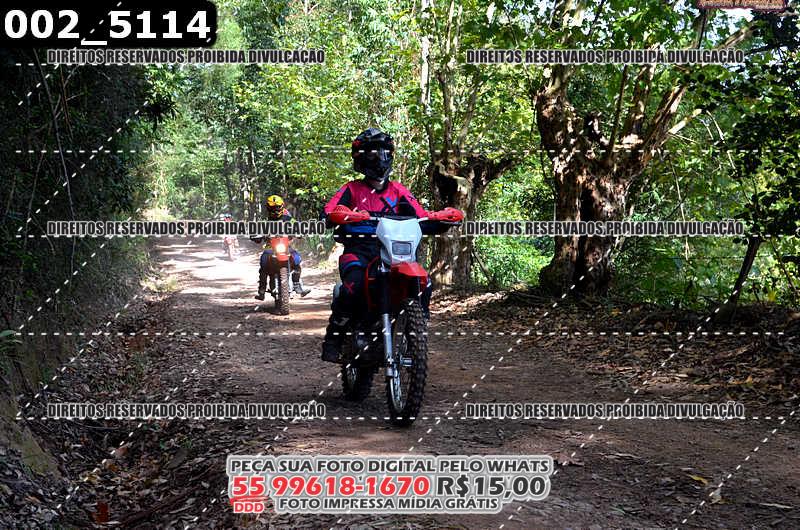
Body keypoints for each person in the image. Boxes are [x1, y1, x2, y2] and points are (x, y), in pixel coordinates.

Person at [320, 128, 457, 362]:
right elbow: (329, 212)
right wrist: (340, 215)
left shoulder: (398, 190)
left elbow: (420, 216)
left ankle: (417, 327)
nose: (380, 158)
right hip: (359, 251)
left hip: (395, 251)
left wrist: (441, 220)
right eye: (373, 153)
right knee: (352, 287)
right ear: (361, 157)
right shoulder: (351, 189)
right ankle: (333, 339)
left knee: (424, 282)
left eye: (384, 153)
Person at [252, 195, 310, 300]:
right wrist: (256, 235)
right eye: (272, 208)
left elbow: (298, 226)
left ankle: (297, 284)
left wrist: (301, 231)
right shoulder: (265, 221)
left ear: (282, 206)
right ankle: (262, 290)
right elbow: (256, 231)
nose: (275, 210)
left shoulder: (288, 219)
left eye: (277, 207)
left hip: (285, 246)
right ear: (268, 208)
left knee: (297, 259)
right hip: (270, 248)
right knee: (263, 263)